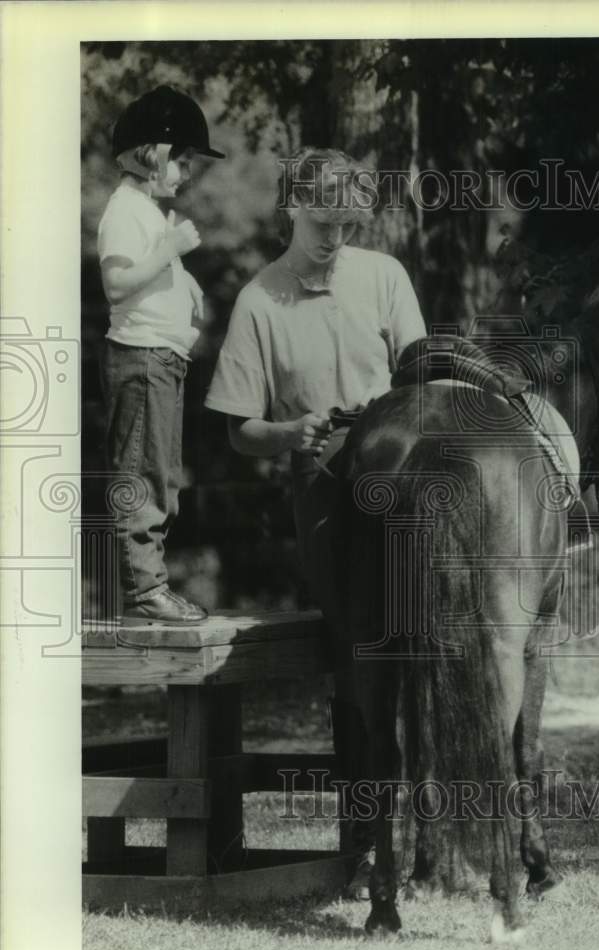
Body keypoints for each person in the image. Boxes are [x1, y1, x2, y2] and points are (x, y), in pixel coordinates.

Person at [204, 147, 427, 889]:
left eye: (349, 224)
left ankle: (442, 832)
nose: (335, 237)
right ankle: (362, 840)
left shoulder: (384, 277)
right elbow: (237, 428)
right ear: (293, 208)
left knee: (436, 642)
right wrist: (288, 432)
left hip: (404, 476)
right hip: (327, 485)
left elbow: (421, 374)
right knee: (358, 658)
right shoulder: (260, 300)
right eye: (324, 221)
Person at [98, 85, 224, 624]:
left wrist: (182, 278)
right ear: (152, 153)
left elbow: (148, 270)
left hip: (162, 360)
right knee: (143, 474)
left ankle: (150, 584)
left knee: (162, 475)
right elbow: (118, 283)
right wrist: (171, 252)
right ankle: (143, 589)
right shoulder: (125, 209)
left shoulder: (145, 210)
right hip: (143, 358)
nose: (187, 173)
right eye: (183, 160)